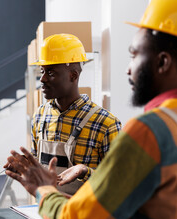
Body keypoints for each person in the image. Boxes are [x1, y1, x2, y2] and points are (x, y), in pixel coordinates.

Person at [5, 0, 177, 219]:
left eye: (134, 55)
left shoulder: (147, 132)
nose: (128, 69)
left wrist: (43, 189)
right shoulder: (176, 122)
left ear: (162, 62)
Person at [30, 33, 121, 194]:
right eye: (42, 71)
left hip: (87, 216)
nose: (42, 79)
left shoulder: (106, 124)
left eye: (50, 72)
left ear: (73, 75)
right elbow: (37, 163)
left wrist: (85, 171)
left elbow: (121, 180)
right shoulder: (40, 115)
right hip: (45, 212)